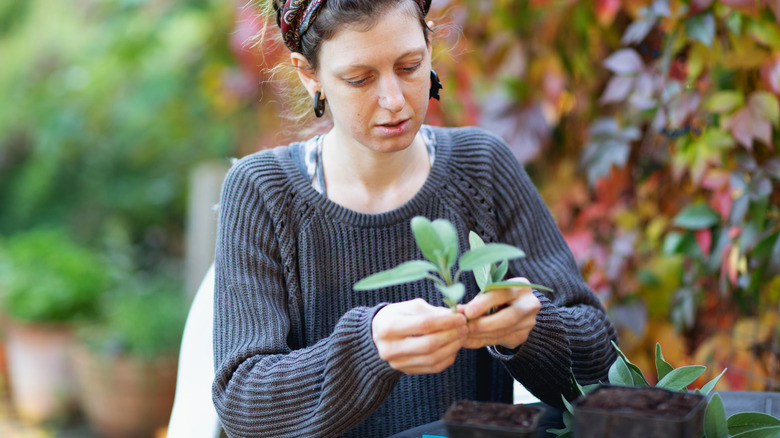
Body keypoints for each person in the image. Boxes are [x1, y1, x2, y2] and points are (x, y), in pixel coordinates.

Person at [212, 0, 619, 436]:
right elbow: (243, 404)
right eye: (360, 78)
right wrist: (368, 350)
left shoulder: (481, 167)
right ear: (309, 74)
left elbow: (605, 369)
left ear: (429, 42)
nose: (393, 100)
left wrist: (532, 329)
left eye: (409, 67)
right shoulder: (263, 191)